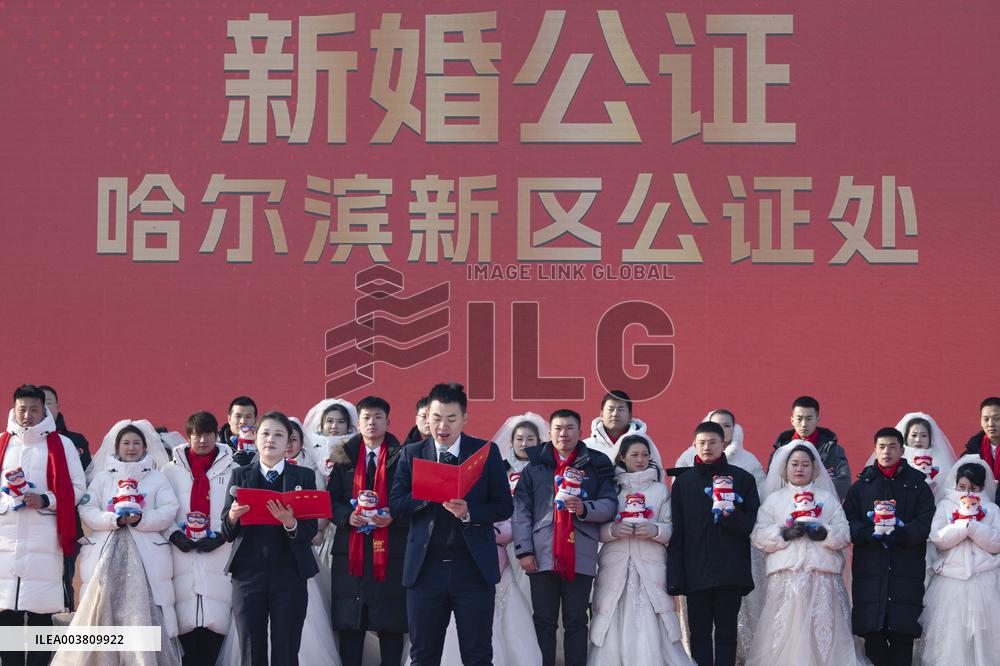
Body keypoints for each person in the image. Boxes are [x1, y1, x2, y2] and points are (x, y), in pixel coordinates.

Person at [389, 382, 513, 666]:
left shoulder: (485, 452)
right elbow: (396, 506)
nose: (442, 426)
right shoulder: (412, 454)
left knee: (478, 654)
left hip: (472, 569)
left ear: (465, 419)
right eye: (436, 418)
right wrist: (427, 494)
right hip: (426, 570)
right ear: (425, 417)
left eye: (451, 419)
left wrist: (470, 511)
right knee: (423, 655)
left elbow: (504, 505)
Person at [64, 419, 180, 665]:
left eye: (136, 443)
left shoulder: (157, 479)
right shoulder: (103, 479)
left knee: (144, 613)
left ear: (145, 447)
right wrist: (112, 519)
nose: (131, 447)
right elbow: (86, 508)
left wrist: (141, 519)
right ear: (116, 447)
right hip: (107, 556)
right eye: (126, 443)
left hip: (146, 555)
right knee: (102, 609)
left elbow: (170, 510)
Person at [512, 409, 617, 666]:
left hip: (579, 553)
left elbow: (610, 503)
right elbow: (521, 509)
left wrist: (585, 509)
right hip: (542, 554)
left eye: (570, 428)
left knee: (577, 621)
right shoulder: (535, 466)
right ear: (549, 433)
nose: (564, 433)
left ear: (580, 432)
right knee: (544, 621)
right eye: (558, 428)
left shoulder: (596, 463)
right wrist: (524, 550)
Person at [221, 411, 320, 666]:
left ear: (289, 442)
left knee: (286, 649)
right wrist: (232, 516)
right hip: (248, 575)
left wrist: (291, 523)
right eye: (265, 433)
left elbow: (309, 530)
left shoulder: (304, 477)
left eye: (279, 434)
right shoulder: (240, 476)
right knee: (251, 650)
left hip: (290, 574)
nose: (270, 439)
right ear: (255, 439)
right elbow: (226, 532)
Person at [746, 440, 855, 666]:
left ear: (814, 469)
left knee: (822, 632)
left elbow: (845, 534)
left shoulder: (827, 500)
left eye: (805, 464)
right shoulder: (774, 501)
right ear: (784, 469)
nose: (799, 469)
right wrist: (784, 534)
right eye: (794, 464)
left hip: (823, 578)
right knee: (786, 631)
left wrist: (824, 533)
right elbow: (758, 535)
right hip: (787, 578)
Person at [0, 385, 86, 666]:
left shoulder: (61, 444)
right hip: (5, 543)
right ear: (14, 409)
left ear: (44, 410)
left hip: (44, 542)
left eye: (34, 409)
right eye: (22, 409)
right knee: (6, 615)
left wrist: (45, 499)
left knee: (40, 617)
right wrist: (7, 501)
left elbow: (77, 488)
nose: (27, 415)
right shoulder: (2, 442)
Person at [589, 434, 690, 666]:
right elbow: (595, 527)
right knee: (612, 610)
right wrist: (614, 531)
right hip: (616, 563)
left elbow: (672, 526)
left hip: (651, 562)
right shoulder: (610, 489)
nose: (640, 459)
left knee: (653, 614)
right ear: (622, 457)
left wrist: (655, 530)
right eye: (634, 454)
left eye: (645, 455)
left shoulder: (660, 490)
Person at [666, 421, 760, 666]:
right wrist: (676, 575)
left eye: (712, 442)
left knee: (727, 633)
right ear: (694, 446)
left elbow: (751, 525)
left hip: (730, 571)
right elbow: (678, 532)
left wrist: (731, 515)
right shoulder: (683, 483)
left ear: (724, 444)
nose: (707, 447)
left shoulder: (743, 479)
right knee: (698, 634)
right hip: (695, 571)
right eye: (701, 443)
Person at [843, 427, 935, 666]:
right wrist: (868, 534)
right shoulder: (862, 486)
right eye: (882, 447)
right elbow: (847, 522)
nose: (887, 451)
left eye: (892, 446)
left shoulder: (918, 485)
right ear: (874, 450)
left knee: (902, 638)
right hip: (870, 571)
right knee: (873, 641)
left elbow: (925, 522)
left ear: (902, 450)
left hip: (906, 571)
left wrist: (901, 534)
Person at [328, 396, 407, 666]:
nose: (371, 422)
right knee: (352, 623)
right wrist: (346, 516)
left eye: (377, 417)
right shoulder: (343, 456)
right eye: (366, 418)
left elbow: (413, 499)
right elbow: (332, 499)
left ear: (387, 421)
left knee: (391, 624)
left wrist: (394, 516)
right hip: (351, 550)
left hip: (391, 550)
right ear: (358, 422)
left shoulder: (403, 455)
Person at [161, 411, 239, 666]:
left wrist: (222, 536)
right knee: (185, 625)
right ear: (187, 437)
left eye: (208, 434)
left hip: (220, 553)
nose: (203, 440)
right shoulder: (170, 472)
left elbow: (241, 511)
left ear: (216, 435)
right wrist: (173, 535)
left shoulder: (235, 470)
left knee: (217, 623)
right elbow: (162, 510)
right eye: (197, 435)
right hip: (181, 555)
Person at [918, 455, 1000, 665]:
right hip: (951, 581)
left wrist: (974, 526)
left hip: (984, 580)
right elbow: (938, 539)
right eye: (962, 486)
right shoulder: (945, 506)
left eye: (973, 488)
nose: (967, 492)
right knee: (952, 635)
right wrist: (962, 525)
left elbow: (997, 542)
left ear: (982, 488)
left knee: (984, 636)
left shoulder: (991, 510)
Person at [38, 384, 91, 612]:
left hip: (67, 525)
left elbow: (87, 480)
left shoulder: (74, 441)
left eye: (48, 402)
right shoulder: (17, 445)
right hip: (30, 528)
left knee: (63, 580)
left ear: (57, 407)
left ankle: (61, 637)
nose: (44, 408)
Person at [770, 395, 851, 499]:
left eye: (809, 419)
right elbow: (771, 484)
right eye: (799, 419)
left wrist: (811, 498)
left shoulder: (833, 451)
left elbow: (844, 482)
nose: (804, 424)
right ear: (792, 420)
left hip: (821, 508)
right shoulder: (780, 450)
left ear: (817, 419)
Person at [583, 390, 662, 465]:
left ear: (630, 415)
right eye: (610, 409)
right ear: (601, 414)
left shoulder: (645, 444)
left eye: (621, 409)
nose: (615, 414)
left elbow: (656, 474)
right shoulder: (586, 446)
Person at [895, 412, 957, 494]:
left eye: (923, 435)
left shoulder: (942, 462)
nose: (918, 440)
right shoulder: (897, 460)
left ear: (930, 438)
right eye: (913, 435)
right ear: (905, 437)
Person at [302, 398, 359, 480]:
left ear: (348, 426)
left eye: (340, 421)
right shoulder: (308, 447)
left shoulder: (356, 447)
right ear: (321, 425)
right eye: (329, 421)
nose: (334, 426)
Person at [962, 397, 1000, 480]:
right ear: (981, 422)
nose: (990, 424)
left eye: (996, 419)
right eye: (986, 419)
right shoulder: (972, 452)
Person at [219, 396, 258, 467]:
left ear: (255, 420)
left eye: (248, 417)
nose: (243, 422)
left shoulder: (262, 444)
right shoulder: (216, 443)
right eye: (238, 416)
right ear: (229, 419)